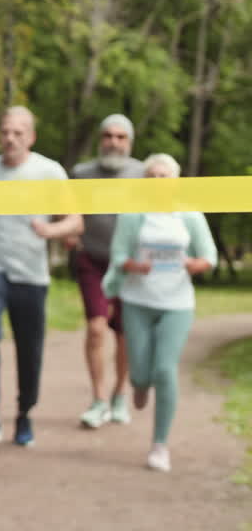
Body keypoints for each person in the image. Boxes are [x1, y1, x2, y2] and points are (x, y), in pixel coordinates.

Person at [0, 107, 83, 447]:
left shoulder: (49, 172)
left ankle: (25, 414)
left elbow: (75, 220)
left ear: (31, 137)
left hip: (31, 273)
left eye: (17, 132)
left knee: (29, 351)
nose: (10, 138)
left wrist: (51, 230)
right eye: (4, 132)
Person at [102, 153, 216, 472]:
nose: (157, 181)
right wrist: (136, 265)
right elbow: (119, 255)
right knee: (140, 373)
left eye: (164, 176)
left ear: (175, 180)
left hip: (177, 304)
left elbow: (209, 256)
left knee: (165, 370)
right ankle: (138, 385)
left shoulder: (189, 215)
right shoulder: (132, 216)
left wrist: (195, 264)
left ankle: (159, 445)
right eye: (151, 176)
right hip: (137, 300)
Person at [69, 114, 145, 428]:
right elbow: (68, 210)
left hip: (129, 263)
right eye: (108, 136)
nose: (113, 142)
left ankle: (119, 395)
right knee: (97, 328)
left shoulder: (143, 174)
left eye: (120, 137)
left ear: (129, 142)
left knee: (125, 334)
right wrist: (69, 233)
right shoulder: (82, 173)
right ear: (100, 139)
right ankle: (98, 398)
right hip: (93, 259)